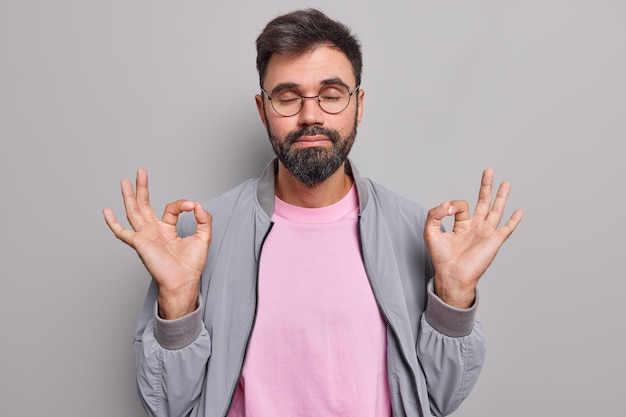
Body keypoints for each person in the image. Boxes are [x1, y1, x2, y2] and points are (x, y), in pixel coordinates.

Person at [103, 8, 523, 417]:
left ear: (358, 105)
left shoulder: (414, 232)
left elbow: (440, 399)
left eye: (331, 95)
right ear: (262, 109)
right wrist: (177, 301)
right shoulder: (202, 238)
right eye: (287, 97)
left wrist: (453, 296)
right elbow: (166, 406)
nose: (310, 115)